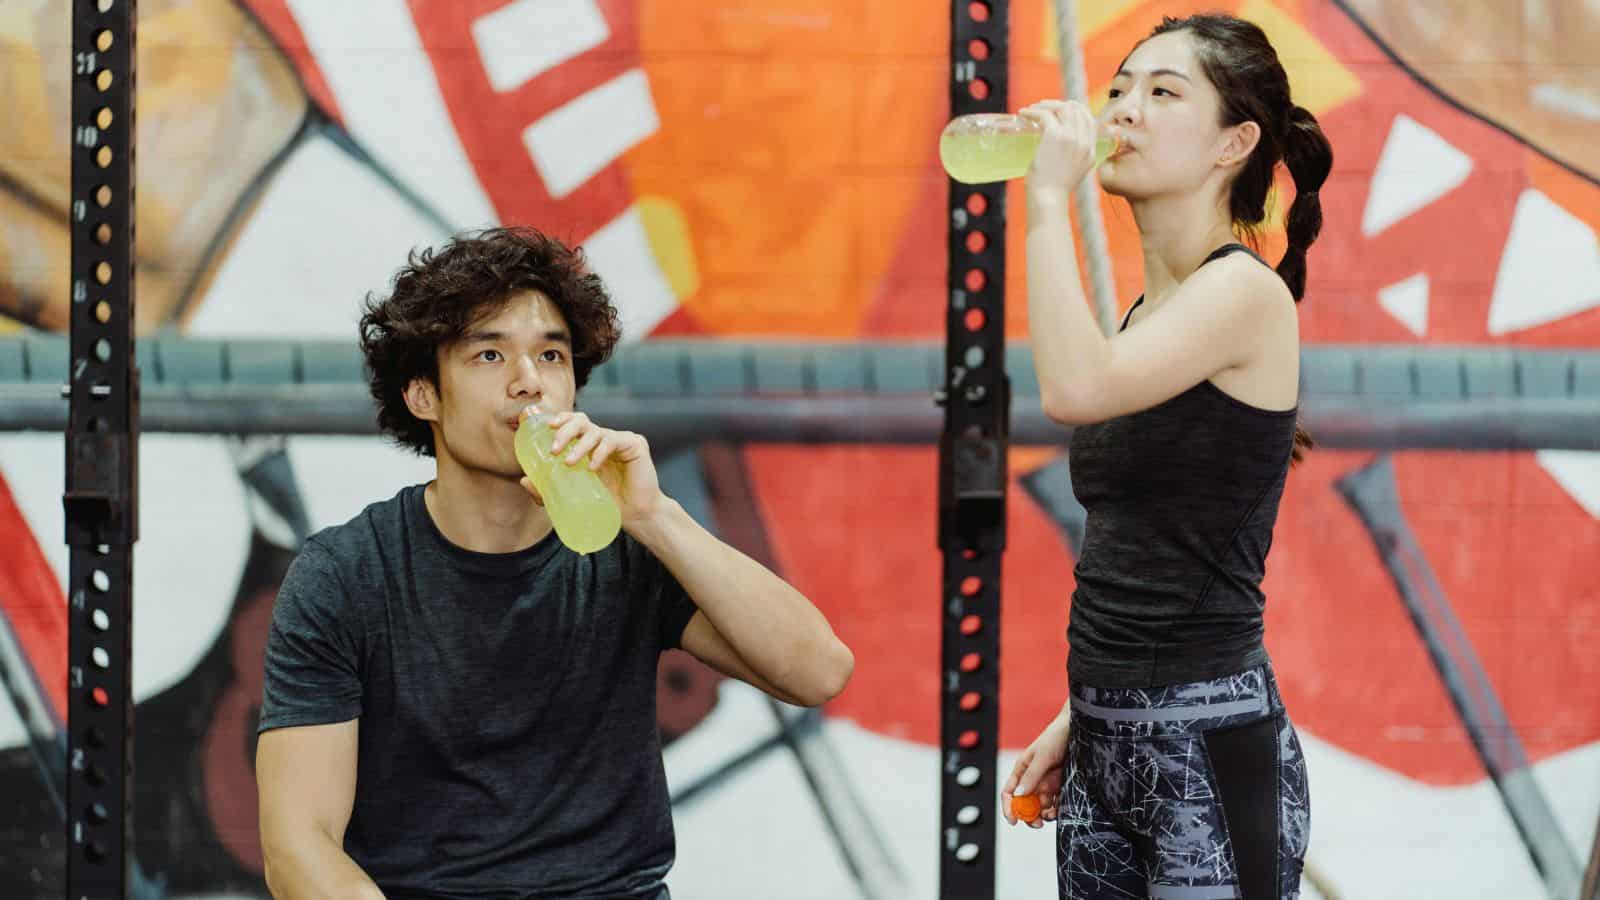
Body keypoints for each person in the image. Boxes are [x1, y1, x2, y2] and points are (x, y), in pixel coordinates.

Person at [253, 226, 855, 899]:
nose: (529, 383)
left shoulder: (629, 544)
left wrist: (655, 516)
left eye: (551, 355)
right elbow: (299, 845)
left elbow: (819, 671)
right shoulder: (347, 574)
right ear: (424, 395)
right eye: (489, 355)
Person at [997, 14, 1333, 900]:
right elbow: (1149, 554)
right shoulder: (1146, 317)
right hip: (1106, 743)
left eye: (1162, 92)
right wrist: (1083, 714)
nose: (1123, 110)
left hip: (1204, 750)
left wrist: (1044, 202)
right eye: (1118, 88)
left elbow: (1073, 388)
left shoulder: (1244, 293)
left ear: (1233, 144)